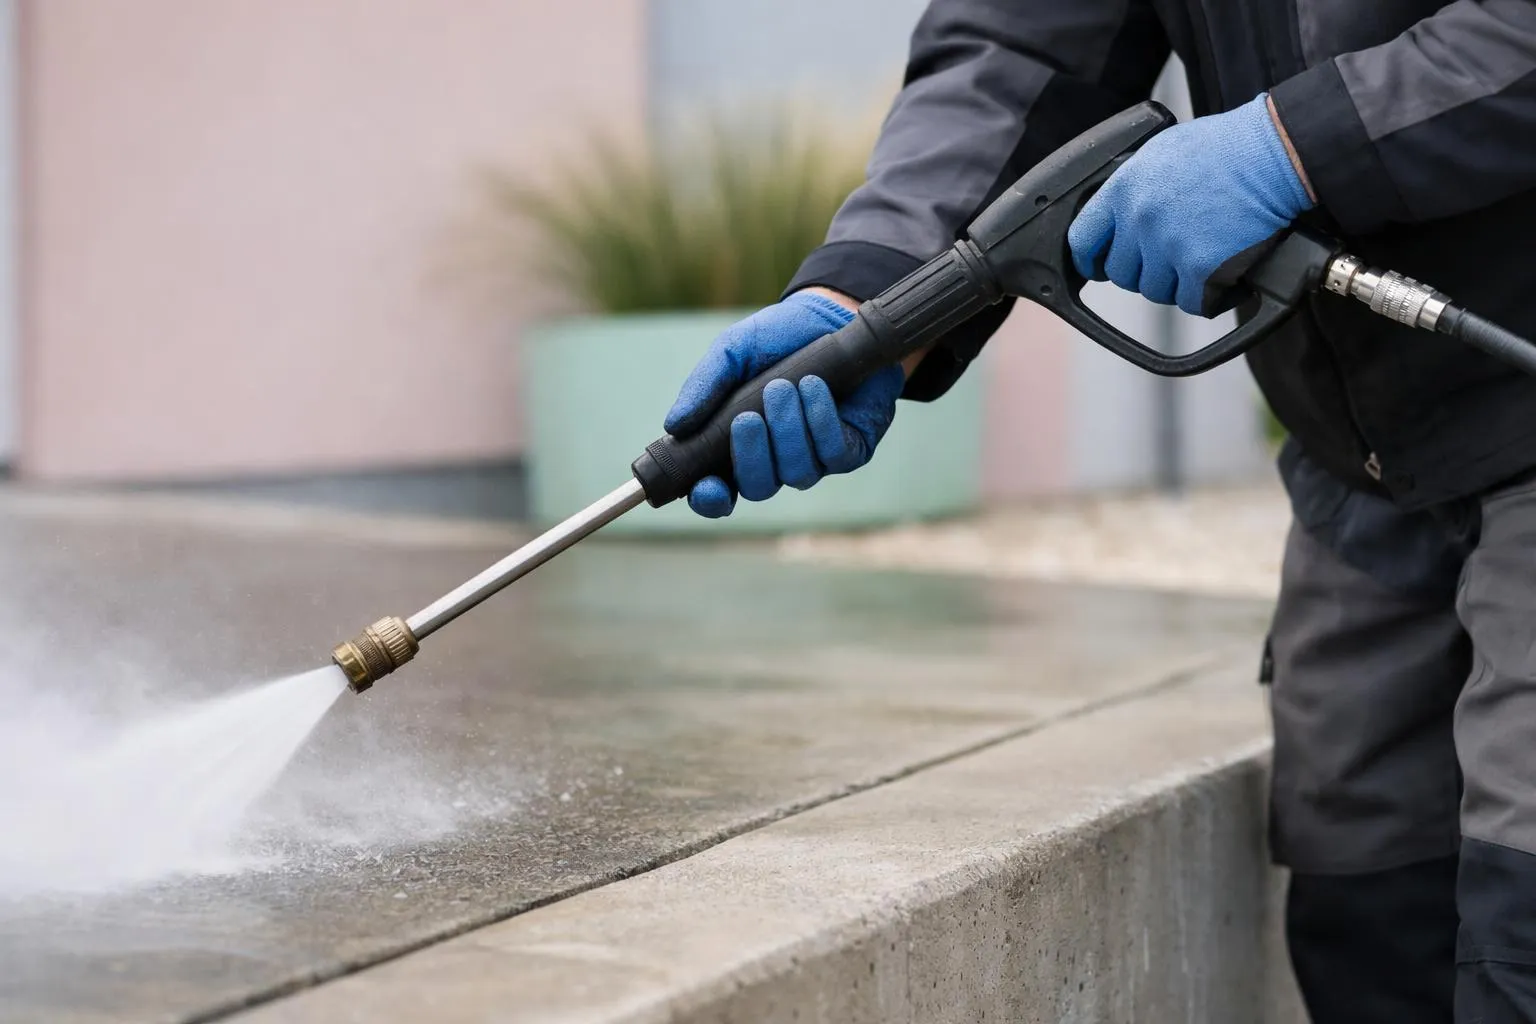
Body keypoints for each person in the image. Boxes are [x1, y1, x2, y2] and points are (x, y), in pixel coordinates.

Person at [662, 2, 1536, 1021]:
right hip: (1367, 468)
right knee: (1370, 916)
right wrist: (871, 299)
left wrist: (1300, 148)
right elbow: (1023, 42)